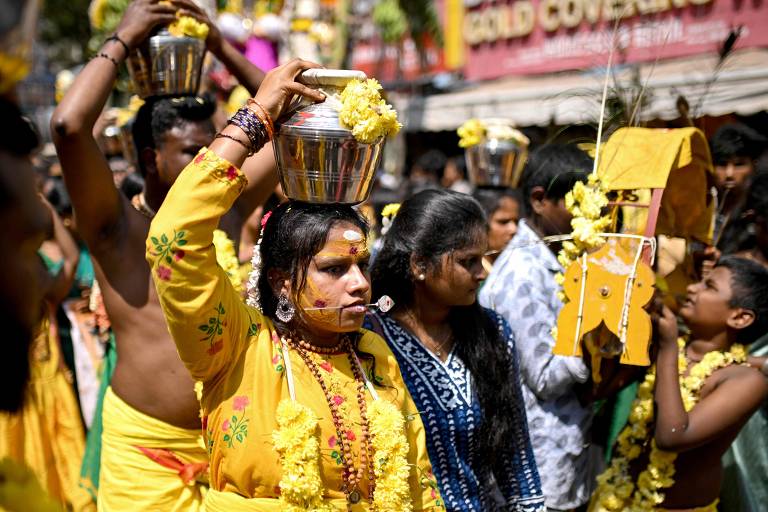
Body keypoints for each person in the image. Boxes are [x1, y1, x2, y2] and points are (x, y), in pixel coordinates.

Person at [146, 59, 443, 510]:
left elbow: (420, 487)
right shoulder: (238, 346)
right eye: (334, 269)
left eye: (362, 264)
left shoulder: (374, 357)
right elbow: (174, 240)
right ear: (282, 282)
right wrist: (256, 116)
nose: (360, 283)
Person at [51, 0, 277, 508]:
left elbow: (297, 117)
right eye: (192, 153)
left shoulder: (228, 208)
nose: (212, 163)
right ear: (151, 158)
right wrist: (124, 37)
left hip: (233, 445)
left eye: (214, 148)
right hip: (143, 457)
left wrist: (218, 44)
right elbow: (68, 126)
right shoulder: (115, 227)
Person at [366, 189, 545, 511]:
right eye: (467, 261)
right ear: (419, 263)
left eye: (483, 258)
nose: (481, 273)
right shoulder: (368, 337)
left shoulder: (493, 333)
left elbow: (515, 457)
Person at [591, 257, 768, 512]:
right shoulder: (669, 345)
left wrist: (668, 348)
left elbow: (672, 436)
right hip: (614, 498)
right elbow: (597, 392)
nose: (693, 288)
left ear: (739, 318)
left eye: (710, 286)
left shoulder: (746, 381)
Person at [479, 144, 602, 511]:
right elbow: (546, 376)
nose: (591, 215)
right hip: (539, 470)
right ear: (539, 200)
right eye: (578, 203)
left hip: (564, 458)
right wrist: (596, 340)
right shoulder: (523, 273)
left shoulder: (557, 256)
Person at [709, 123, 766, 247]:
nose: (729, 173)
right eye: (722, 164)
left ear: (753, 166)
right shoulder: (702, 210)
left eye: (739, 165)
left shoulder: (760, 214)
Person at [472, 187, 523, 271]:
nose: (514, 229)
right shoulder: (475, 277)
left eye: (516, 222)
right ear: (479, 225)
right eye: (503, 222)